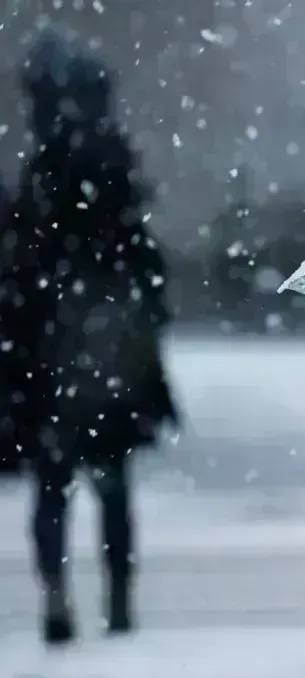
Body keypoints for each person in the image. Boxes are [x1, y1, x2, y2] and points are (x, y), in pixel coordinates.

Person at [2, 32, 179, 644]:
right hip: (109, 353)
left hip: (49, 354)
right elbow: (146, 273)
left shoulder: (40, 178)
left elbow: (18, 275)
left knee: (53, 487)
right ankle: (118, 600)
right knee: (109, 483)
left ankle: (58, 598)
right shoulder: (115, 172)